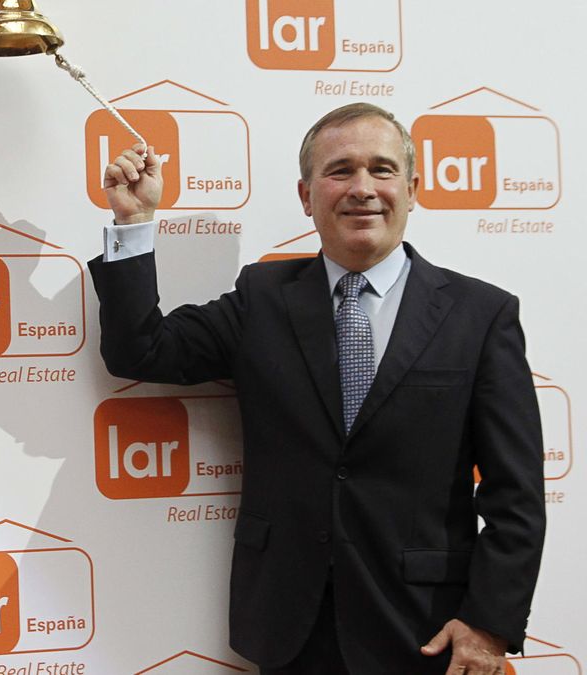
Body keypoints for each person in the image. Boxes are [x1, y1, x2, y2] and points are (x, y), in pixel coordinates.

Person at [88, 103, 545, 674]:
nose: (362, 188)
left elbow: (516, 494)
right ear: (306, 196)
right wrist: (133, 222)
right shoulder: (262, 297)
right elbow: (141, 350)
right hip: (289, 628)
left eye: (382, 169)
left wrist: (489, 625)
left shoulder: (481, 314)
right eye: (340, 170)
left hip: (426, 631)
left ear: (413, 188)